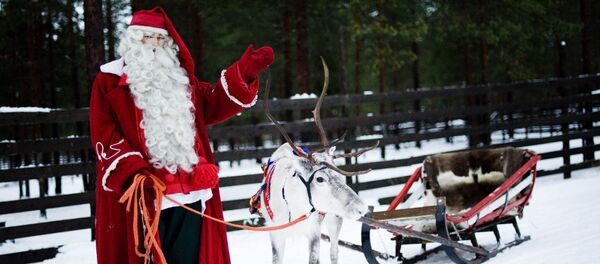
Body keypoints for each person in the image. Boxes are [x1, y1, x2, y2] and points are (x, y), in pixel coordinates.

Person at [90, 6, 273, 264]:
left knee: (190, 257)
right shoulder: (108, 82)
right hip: (145, 195)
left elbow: (211, 104)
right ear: (133, 40)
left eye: (160, 38)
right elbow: (103, 131)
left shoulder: (180, 80)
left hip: (190, 193)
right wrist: (135, 172)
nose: (154, 44)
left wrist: (242, 73)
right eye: (147, 37)